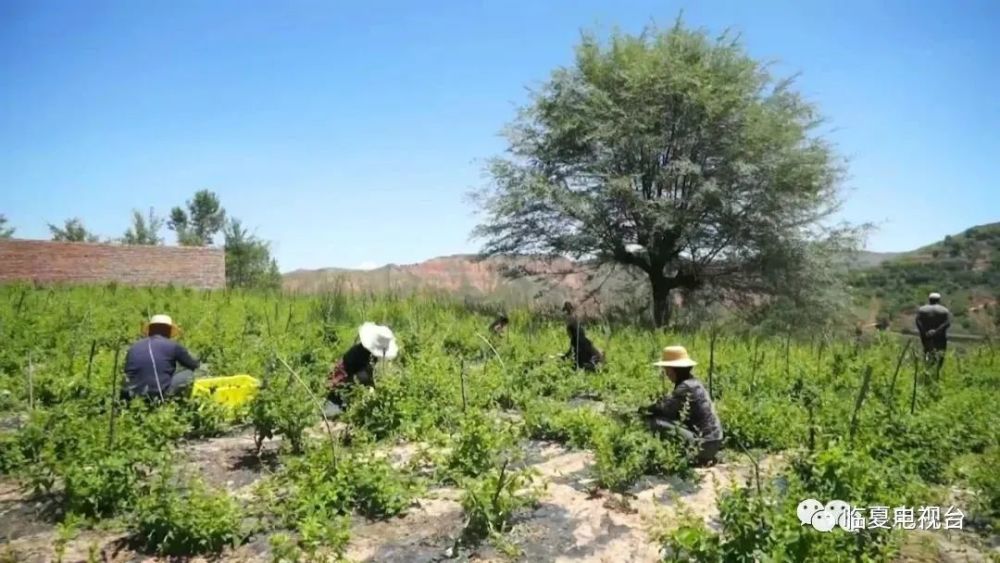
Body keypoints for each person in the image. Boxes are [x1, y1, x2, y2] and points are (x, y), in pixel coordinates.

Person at [640, 345, 723, 466]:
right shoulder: (694, 383)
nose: (666, 373)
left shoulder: (685, 387)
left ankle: (684, 456)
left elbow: (662, 409)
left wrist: (642, 411)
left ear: (673, 370)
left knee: (655, 422)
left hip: (703, 444)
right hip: (715, 442)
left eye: (667, 369)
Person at [324, 322, 398, 416]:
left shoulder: (369, 353)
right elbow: (363, 376)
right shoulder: (361, 353)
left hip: (351, 384)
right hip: (341, 386)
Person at [123, 314, 200, 401]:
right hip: (159, 394)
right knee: (189, 373)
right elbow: (193, 365)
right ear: (168, 331)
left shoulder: (134, 346)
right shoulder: (173, 346)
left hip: (132, 395)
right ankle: (182, 401)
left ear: (150, 330)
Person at [916, 292, 951, 368]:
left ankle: (927, 369)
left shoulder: (922, 310)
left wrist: (925, 332)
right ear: (939, 300)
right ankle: (937, 371)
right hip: (940, 337)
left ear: (929, 300)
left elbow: (918, 322)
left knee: (927, 352)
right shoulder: (944, 310)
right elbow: (947, 323)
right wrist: (936, 331)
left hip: (926, 337)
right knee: (940, 354)